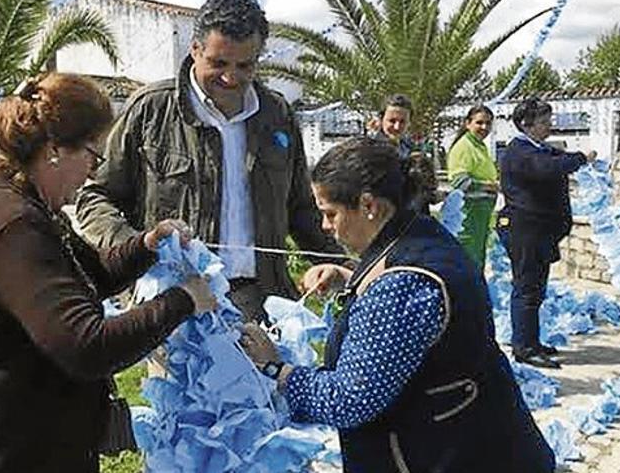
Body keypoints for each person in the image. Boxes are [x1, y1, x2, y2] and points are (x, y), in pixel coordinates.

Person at [0, 72, 217, 473]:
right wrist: (183, 301)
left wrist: (147, 245)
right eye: (92, 155)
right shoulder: (9, 223)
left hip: (38, 444)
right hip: (4, 453)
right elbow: (87, 347)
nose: (93, 173)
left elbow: (89, 273)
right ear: (54, 150)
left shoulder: (28, 205)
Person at [239, 140, 556, 472]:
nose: (324, 227)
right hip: (483, 439)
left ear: (369, 206)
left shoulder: (402, 287)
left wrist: (276, 368)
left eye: (330, 213)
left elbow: (349, 400)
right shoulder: (419, 234)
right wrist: (349, 279)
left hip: (446, 455)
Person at [76, 0, 343, 323]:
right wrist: (137, 250)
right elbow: (95, 198)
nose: (231, 78)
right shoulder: (150, 110)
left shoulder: (276, 114)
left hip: (260, 299)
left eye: (244, 66)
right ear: (195, 50)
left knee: (266, 376)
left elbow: (300, 207)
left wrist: (342, 266)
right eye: (219, 63)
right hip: (174, 300)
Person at [497, 97, 595, 369]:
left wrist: (571, 157)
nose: (549, 126)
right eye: (544, 121)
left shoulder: (537, 148)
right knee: (527, 289)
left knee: (536, 289)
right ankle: (524, 348)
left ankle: (532, 340)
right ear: (526, 125)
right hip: (525, 231)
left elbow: (554, 158)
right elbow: (550, 168)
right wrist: (581, 158)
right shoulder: (520, 152)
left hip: (538, 232)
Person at [447, 104, 499, 271]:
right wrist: (489, 186)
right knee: (467, 259)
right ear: (467, 123)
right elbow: (460, 182)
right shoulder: (464, 147)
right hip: (468, 213)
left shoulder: (479, 146)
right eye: (479, 123)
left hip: (480, 214)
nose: (484, 127)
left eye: (488, 124)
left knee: (477, 258)